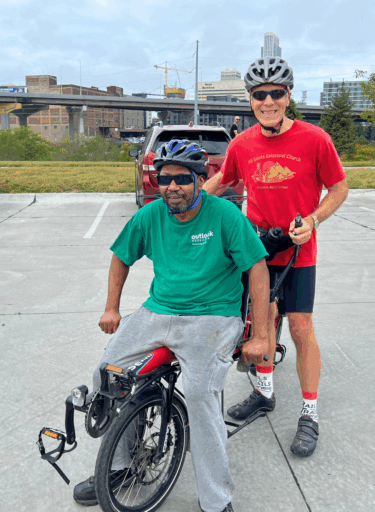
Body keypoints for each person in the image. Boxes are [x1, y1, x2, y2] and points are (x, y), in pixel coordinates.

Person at [73, 139, 271, 512]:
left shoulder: (226, 217)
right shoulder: (150, 215)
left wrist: (259, 335)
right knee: (108, 375)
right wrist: (111, 308)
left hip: (213, 316)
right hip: (158, 311)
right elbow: (121, 256)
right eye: (164, 179)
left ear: (200, 179)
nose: (172, 187)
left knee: (199, 397)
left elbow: (257, 271)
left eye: (182, 178)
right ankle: (119, 466)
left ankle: (216, 499)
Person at [203, 57, 349, 458]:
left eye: (275, 94)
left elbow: (339, 188)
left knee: (301, 329)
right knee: (261, 323)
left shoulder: (315, 139)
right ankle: (264, 393)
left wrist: (315, 220)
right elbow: (223, 179)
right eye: (259, 95)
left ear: (288, 96)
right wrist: (185, 205)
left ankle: (309, 413)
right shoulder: (243, 143)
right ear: (250, 99)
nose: (267, 101)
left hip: (299, 249)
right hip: (257, 251)